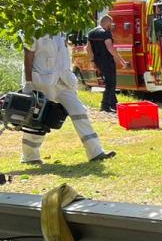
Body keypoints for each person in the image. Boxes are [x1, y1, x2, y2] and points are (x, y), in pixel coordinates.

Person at [20, 34, 115, 164]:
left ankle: (96, 152)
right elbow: (28, 56)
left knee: (79, 112)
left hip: (63, 81)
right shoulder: (35, 28)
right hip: (41, 82)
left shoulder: (60, 27)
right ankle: (30, 157)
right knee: (38, 119)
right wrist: (29, 82)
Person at [87, 16, 129, 113]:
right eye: (111, 24)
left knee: (109, 82)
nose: (111, 26)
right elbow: (110, 48)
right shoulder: (106, 33)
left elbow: (88, 48)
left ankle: (114, 104)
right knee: (111, 83)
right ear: (107, 23)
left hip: (98, 61)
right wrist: (122, 61)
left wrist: (92, 61)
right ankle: (104, 105)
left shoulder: (91, 33)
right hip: (107, 61)